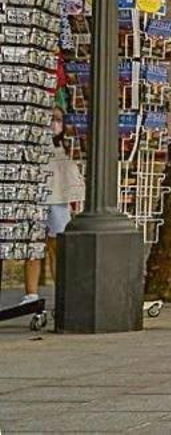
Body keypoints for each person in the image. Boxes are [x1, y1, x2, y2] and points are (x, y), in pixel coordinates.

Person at [21, 108, 83, 307]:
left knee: (57, 247)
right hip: (36, 199)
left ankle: (61, 292)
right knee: (34, 246)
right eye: (50, 119)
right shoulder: (34, 144)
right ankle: (31, 294)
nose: (53, 124)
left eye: (57, 119)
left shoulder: (68, 146)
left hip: (59, 199)